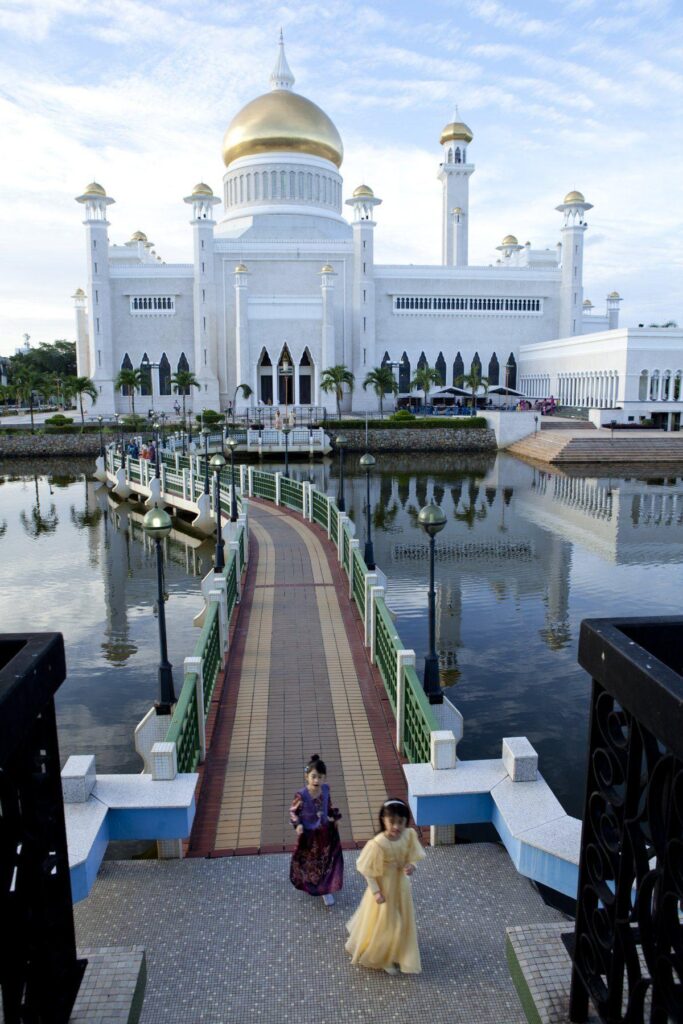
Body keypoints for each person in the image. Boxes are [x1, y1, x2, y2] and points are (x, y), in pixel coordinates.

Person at [345, 798, 425, 975]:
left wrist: (412, 865)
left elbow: (413, 854)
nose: (396, 827)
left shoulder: (409, 835)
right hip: (385, 888)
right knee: (387, 923)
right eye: (392, 822)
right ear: (383, 820)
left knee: (402, 920)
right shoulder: (377, 844)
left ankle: (397, 952)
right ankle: (381, 957)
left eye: (401, 822)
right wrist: (376, 891)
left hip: (401, 887)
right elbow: (367, 870)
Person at [289, 754, 343, 907]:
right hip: (308, 836)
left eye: (320, 777)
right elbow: (293, 811)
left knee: (325, 860)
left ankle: (324, 889)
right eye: (313, 776)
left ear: (324, 778)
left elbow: (329, 806)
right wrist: (297, 824)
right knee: (310, 861)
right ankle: (312, 883)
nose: (316, 780)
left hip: (325, 833)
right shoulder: (302, 795)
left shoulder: (325, 790)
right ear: (307, 776)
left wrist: (335, 818)